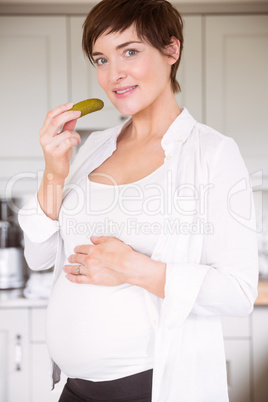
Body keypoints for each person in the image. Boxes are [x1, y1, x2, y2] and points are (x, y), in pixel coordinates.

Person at [18, 0, 259, 401]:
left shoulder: (212, 153)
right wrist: (54, 173)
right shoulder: (94, 147)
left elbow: (238, 292)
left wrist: (133, 268)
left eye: (130, 51)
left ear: (171, 50)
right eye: (101, 58)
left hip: (151, 386)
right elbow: (38, 258)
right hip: (73, 388)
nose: (114, 74)